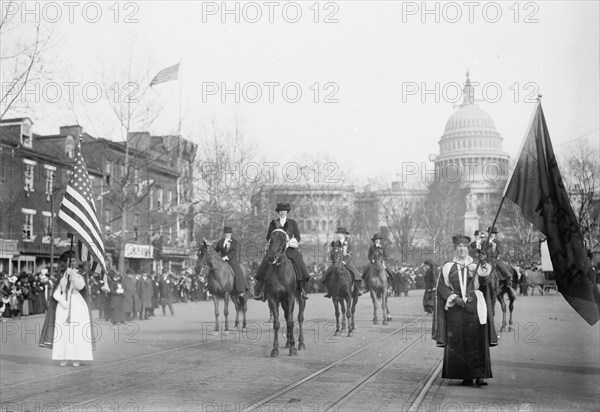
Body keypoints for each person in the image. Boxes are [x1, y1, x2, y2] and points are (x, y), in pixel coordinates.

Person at [432, 234, 497, 387]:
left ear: (468, 248)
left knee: (477, 340)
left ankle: (481, 375)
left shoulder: (476, 265)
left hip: (474, 306)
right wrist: (454, 297)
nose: (462, 249)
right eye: (459, 246)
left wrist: (482, 261)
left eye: (464, 246)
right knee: (459, 341)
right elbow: (442, 286)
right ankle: (465, 375)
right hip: (456, 308)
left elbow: (484, 278)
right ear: (456, 248)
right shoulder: (448, 266)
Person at [42, 250, 94, 366]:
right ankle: (64, 356)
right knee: (64, 332)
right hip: (64, 306)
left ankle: (76, 357)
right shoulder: (62, 275)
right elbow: (57, 291)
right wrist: (61, 300)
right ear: (66, 262)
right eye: (70, 261)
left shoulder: (80, 274)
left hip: (76, 304)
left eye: (74, 260)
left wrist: (74, 276)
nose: (73, 262)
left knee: (75, 332)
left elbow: (80, 286)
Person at [253, 202, 310, 301]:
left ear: (287, 212)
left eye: (284, 211)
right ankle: (261, 290)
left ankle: (302, 289)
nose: (282, 212)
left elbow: (297, 236)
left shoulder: (292, 222)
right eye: (280, 211)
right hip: (276, 249)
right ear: (278, 212)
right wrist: (272, 241)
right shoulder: (273, 223)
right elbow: (268, 236)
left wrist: (290, 242)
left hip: (289, 248)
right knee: (265, 262)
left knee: (299, 261)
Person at [322, 227, 363, 298]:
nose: (338, 235)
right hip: (337, 263)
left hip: (347, 263)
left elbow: (351, 255)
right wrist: (334, 259)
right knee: (327, 274)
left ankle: (357, 290)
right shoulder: (336, 243)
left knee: (356, 274)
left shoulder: (349, 243)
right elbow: (333, 253)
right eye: (338, 234)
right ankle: (329, 291)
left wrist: (344, 262)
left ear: (344, 234)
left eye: (339, 234)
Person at [215, 226, 249, 297]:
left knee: (237, 271)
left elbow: (233, 252)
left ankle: (240, 289)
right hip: (221, 260)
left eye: (228, 233)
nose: (227, 234)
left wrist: (226, 258)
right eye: (226, 233)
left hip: (231, 260)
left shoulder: (234, 242)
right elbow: (216, 251)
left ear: (231, 234)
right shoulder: (220, 242)